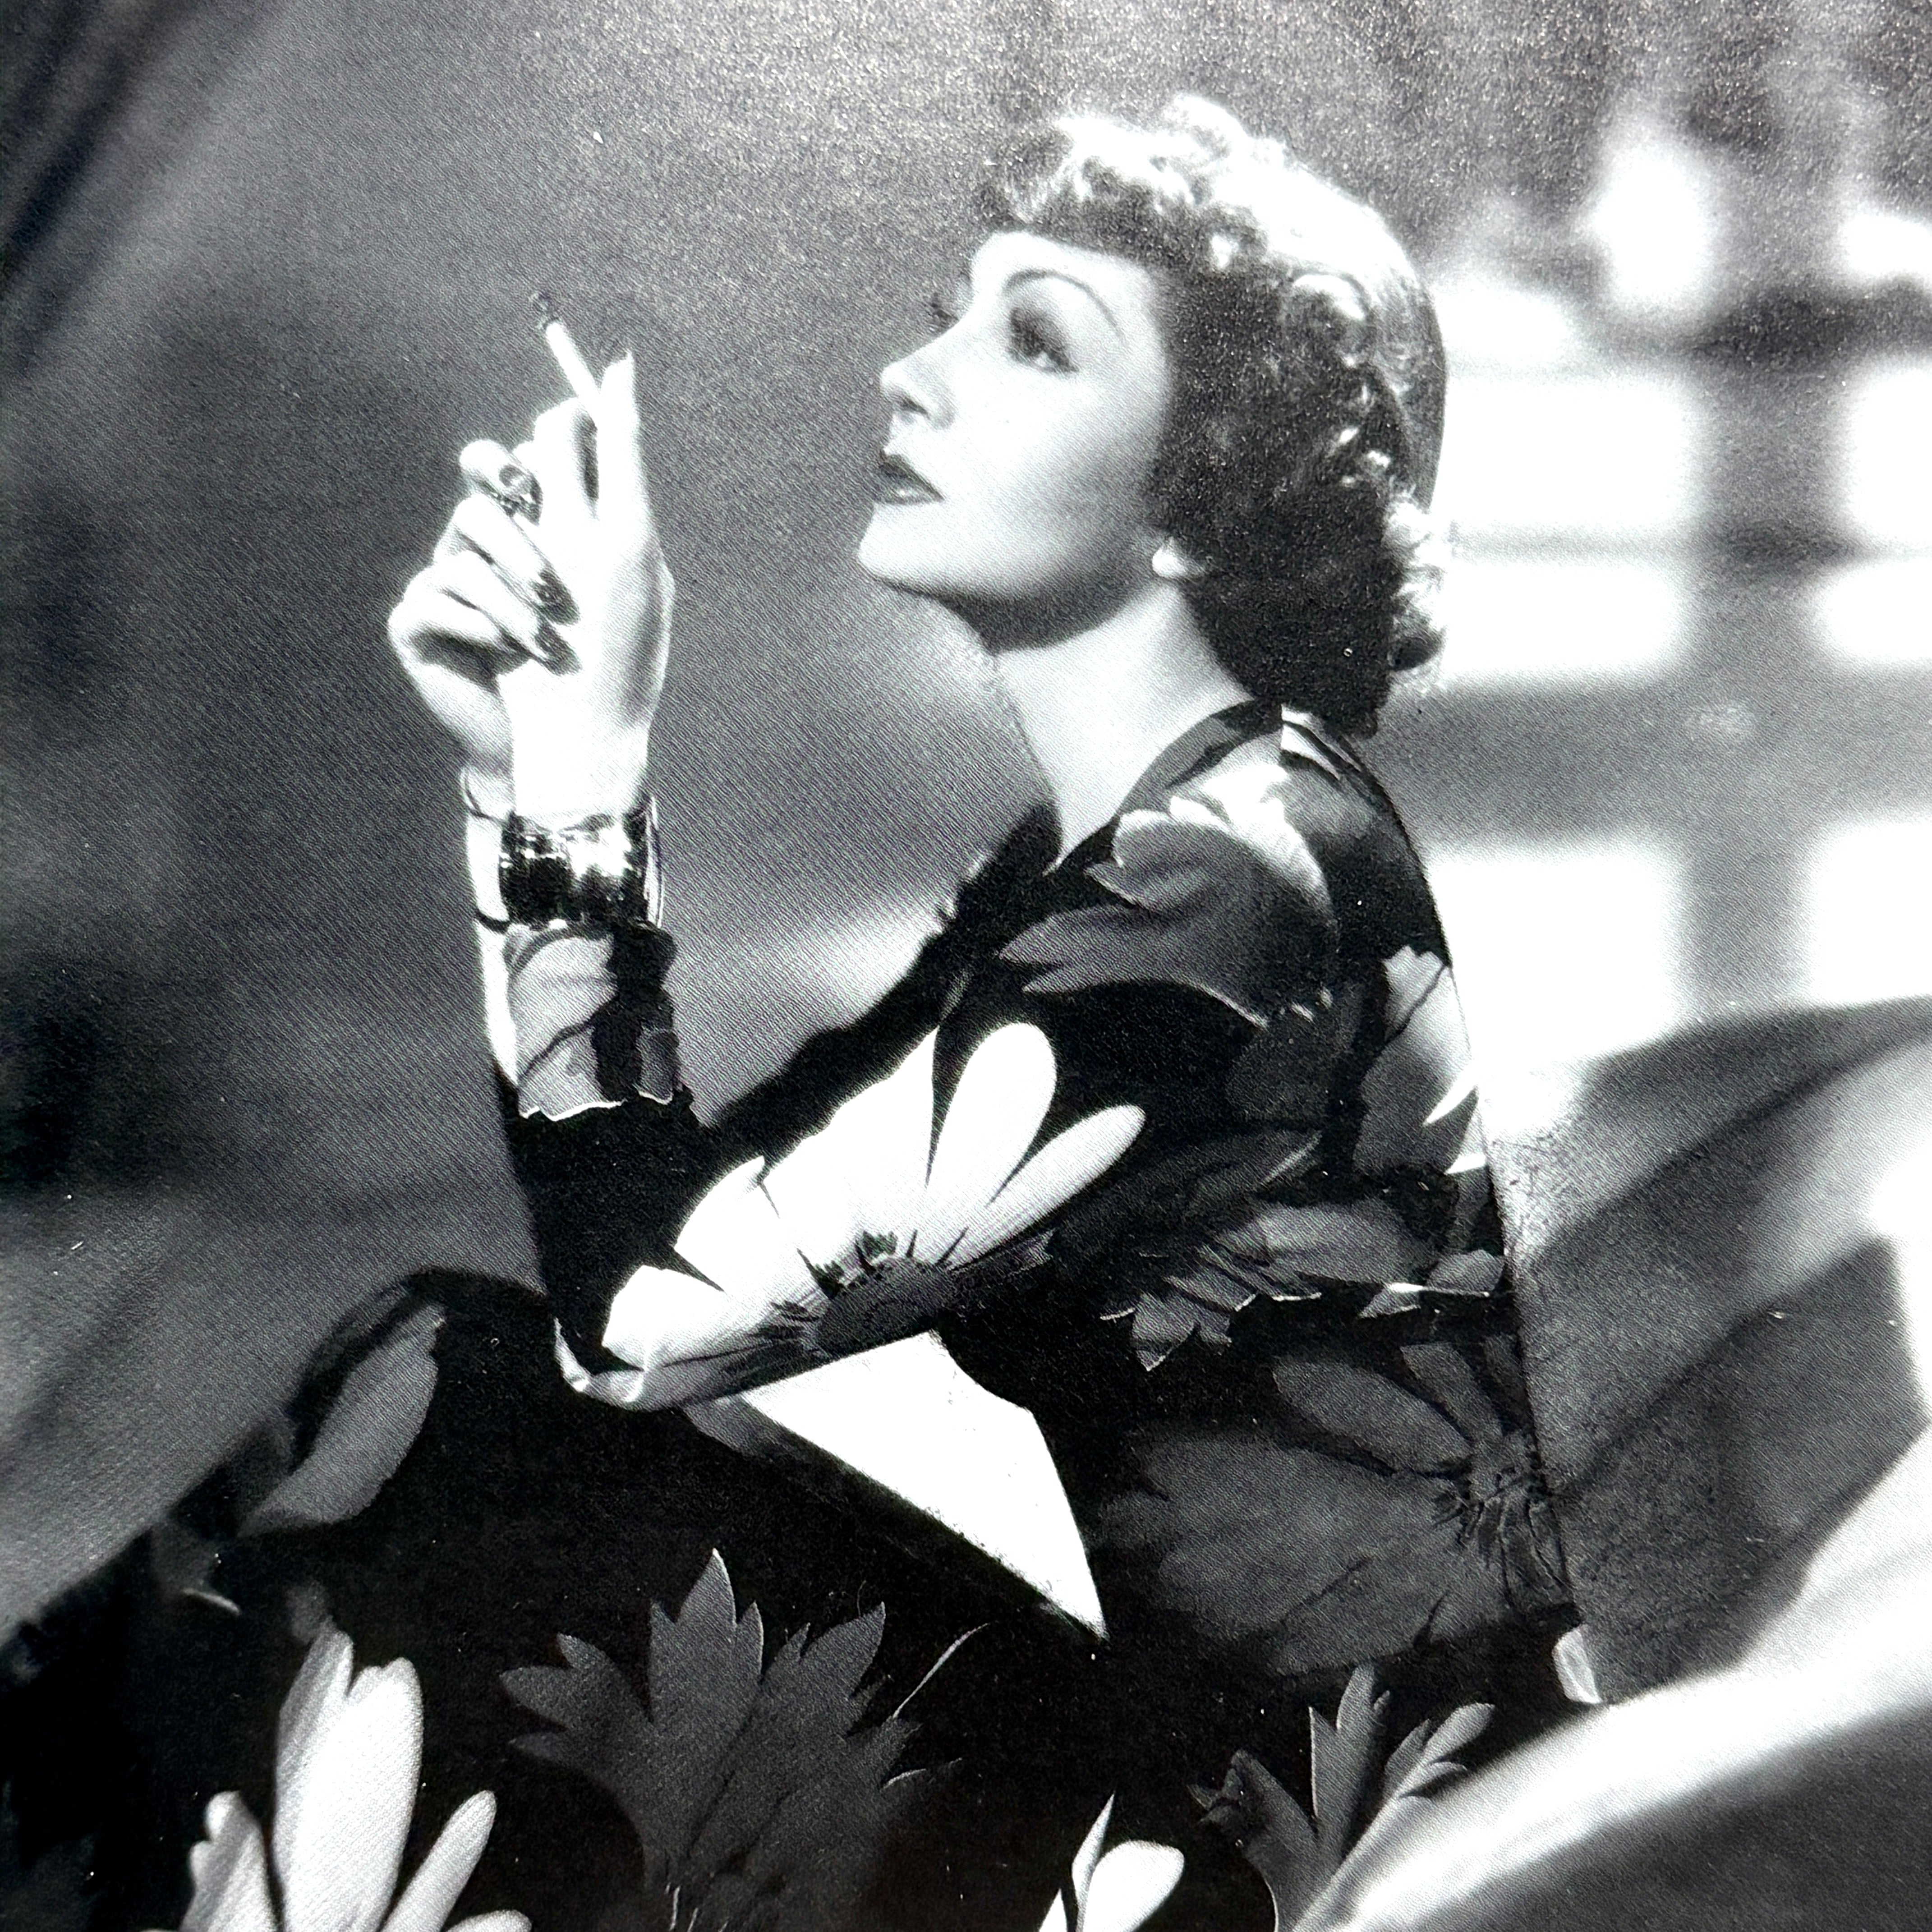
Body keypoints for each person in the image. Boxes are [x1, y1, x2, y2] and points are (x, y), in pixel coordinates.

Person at [11, 96, 1571, 1932]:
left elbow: (639, 1321)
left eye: (1033, 338)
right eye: (949, 310)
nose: (917, 374)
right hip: (1172, 1773)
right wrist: (532, 776)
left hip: (1292, 1877)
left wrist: (585, 785)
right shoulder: (1135, 849)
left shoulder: (1229, 890)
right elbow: (686, 1222)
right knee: (448, 1368)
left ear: (1207, 495)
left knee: (466, 1435)